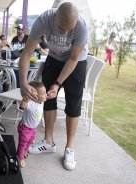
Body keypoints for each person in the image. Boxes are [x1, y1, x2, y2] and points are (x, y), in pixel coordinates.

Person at [18, 2, 88, 171]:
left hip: (76, 62)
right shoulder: (44, 20)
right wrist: (23, 82)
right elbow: (27, 53)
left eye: (68, 29)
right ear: (55, 17)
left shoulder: (82, 27)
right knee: (46, 97)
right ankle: (48, 141)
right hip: (54, 57)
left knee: (73, 103)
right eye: (61, 28)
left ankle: (69, 148)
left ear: (76, 21)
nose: (64, 33)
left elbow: (73, 59)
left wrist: (58, 83)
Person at [17, 81, 47, 168]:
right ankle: (20, 157)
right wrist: (25, 99)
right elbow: (22, 106)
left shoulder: (41, 101)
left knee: (30, 142)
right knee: (23, 143)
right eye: (43, 93)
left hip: (33, 129)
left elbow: (45, 96)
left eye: (45, 92)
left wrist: (48, 94)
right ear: (34, 96)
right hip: (25, 128)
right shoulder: (30, 103)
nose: (45, 95)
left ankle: (24, 151)